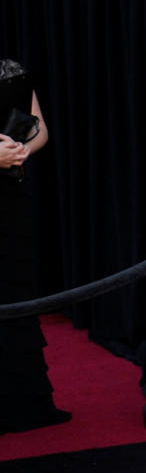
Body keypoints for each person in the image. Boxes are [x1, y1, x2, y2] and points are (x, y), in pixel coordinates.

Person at [0, 60, 70, 434]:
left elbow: (38, 126)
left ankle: (25, 403)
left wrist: (20, 150)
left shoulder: (10, 70)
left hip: (11, 196)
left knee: (14, 290)